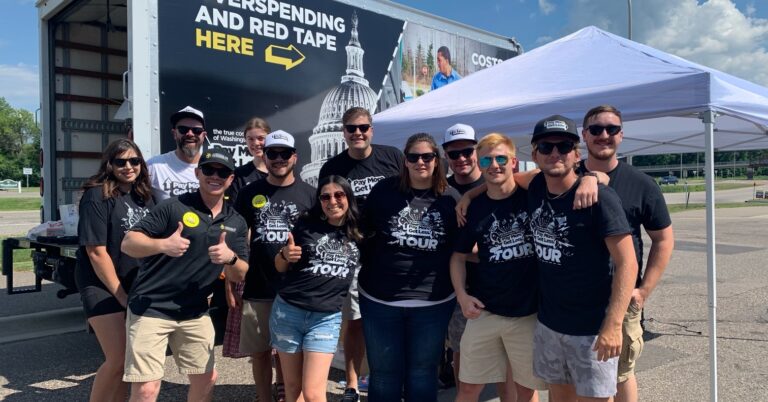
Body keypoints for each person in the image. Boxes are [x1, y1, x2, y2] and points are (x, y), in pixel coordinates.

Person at [120, 147, 249, 402]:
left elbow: (240, 273)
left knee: (206, 378)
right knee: (146, 388)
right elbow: (128, 243)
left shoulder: (236, 221)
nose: (215, 176)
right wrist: (162, 245)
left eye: (223, 172)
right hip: (151, 308)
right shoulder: (173, 207)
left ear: (231, 179)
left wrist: (229, 258)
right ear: (198, 173)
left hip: (195, 312)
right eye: (209, 170)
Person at [526, 115, 638, 402]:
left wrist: (613, 326)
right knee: (559, 397)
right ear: (534, 154)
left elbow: (628, 262)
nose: (555, 154)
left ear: (577, 153)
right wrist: (468, 196)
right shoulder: (537, 186)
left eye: (564, 146)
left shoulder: (600, 198)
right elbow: (500, 181)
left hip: (592, 330)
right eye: (546, 147)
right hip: (550, 324)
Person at [578, 105, 674, 402]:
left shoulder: (642, 184)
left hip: (619, 299)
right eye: (595, 129)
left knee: (620, 375)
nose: (603, 135)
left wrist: (644, 290)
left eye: (611, 129)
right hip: (572, 301)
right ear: (584, 135)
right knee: (575, 380)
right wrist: (470, 195)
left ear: (621, 135)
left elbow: (664, 240)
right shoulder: (566, 175)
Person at [358, 133, 460, 401]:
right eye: (414, 157)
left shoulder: (450, 197)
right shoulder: (384, 190)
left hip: (432, 302)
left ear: (437, 160)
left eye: (427, 156)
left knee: (423, 373)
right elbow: (362, 231)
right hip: (380, 299)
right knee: (384, 374)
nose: (420, 162)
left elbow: (461, 245)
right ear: (405, 161)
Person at [318, 106, 403, 402]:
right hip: (351, 250)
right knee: (354, 321)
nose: (358, 133)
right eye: (352, 128)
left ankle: (386, 378)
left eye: (363, 127)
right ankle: (352, 384)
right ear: (343, 132)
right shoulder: (332, 167)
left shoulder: (392, 156)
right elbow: (324, 209)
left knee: (389, 319)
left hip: (390, 252)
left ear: (372, 129)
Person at [451, 133, 545, 402]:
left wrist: (592, 178)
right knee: (468, 388)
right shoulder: (473, 209)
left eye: (501, 158)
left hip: (528, 313)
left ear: (514, 162)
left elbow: (548, 173)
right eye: (487, 160)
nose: (495, 165)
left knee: (526, 389)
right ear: (479, 165)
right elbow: (457, 257)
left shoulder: (534, 195)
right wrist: (462, 295)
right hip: (486, 311)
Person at [234, 130, 316, 402]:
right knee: (258, 352)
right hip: (258, 284)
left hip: (296, 288)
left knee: (290, 350)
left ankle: (286, 391)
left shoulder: (311, 195)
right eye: (272, 153)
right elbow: (235, 237)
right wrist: (230, 280)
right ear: (264, 156)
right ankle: (263, 397)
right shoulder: (248, 193)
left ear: (295, 156)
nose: (278, 159)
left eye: (284, 153)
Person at [271, 175, 364, 402]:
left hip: (325, 318)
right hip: (288, 312)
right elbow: (280, 266)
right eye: (326, 197)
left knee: (313, 393)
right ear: (320, 201)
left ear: (348, 197)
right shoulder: (306, 225)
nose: (332, 201)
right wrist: (285, 254)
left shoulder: (360, 232)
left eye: (339, 195)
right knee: (293, 390)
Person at [75, 138, 154, 402]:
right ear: (110, 164)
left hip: (134, 285)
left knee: (128, 363)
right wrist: (122, 297)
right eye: (121, 162)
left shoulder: (145, 197)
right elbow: (96, 252)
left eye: (134, 161)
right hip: (102, 285)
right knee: (118, 358)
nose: (128, 167)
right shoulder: (97, 195)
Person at [222, 117, 271, 361]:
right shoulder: (240, 176)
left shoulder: (281, 169)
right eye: (250, 139)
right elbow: (234, 224)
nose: (256, 143)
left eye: (260, 138)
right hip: (249, 256)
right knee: (255, 328)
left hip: (277, 256)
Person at [147, 106, 207, 201]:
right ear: (174, 134)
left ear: (203, 136)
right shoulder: (154, 166)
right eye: (183, 129)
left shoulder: (213, 168)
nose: (190, 134)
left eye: (197, 130)